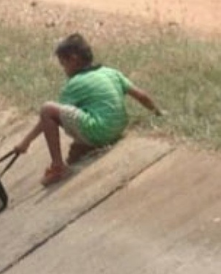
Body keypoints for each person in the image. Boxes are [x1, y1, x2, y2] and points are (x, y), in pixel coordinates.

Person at [13, 33, 162, 186]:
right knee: (75, 150)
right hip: (118, 128)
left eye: (63, 64)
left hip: (100, 131)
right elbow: (141, 96)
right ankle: (84, 148)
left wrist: (26, 142)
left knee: (47, 109)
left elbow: (50, 117)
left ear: (73, 59)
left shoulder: (75, 83)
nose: (64, 70)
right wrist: (158, 113)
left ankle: (58, 166)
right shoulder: (110, 72)